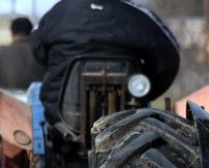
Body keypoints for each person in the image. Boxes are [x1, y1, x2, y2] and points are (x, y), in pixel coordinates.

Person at [30, 0, 180, 124]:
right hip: (129, 119)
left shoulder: (58, 12)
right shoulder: (140, 15)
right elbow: (169, 58)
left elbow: (37, 50)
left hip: (60, 116)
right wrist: (145, 90)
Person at [0, 17, 46, 92]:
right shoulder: (43, 51)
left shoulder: (0, 54)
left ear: (12, 34)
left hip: (8, 101)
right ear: (31, 32)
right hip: (37, 101)